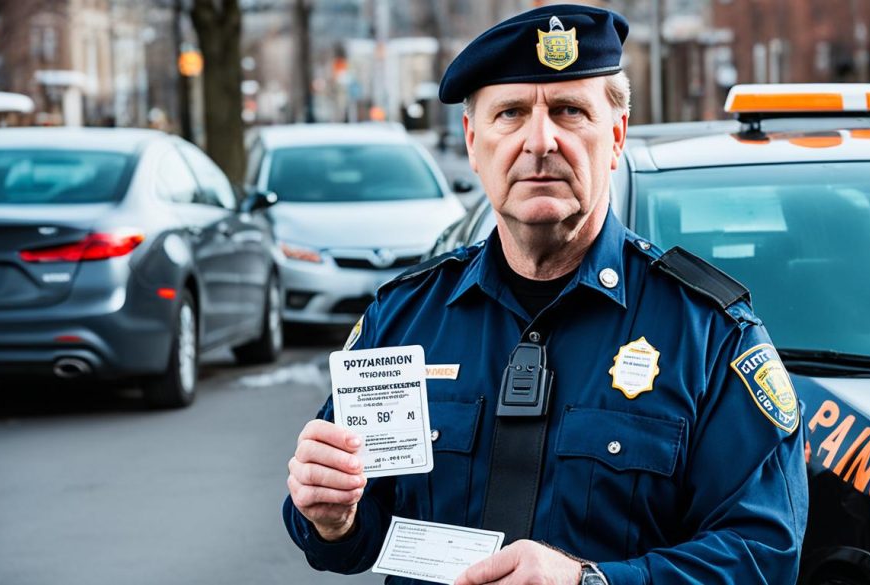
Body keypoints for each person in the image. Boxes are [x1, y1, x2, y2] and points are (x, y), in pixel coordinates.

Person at [284, 5, 807, 584]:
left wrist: (591, 582)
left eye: (569, 111)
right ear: (473, 142)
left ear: (615, 136)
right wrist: (331, 517)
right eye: (510, 113)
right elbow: (352, 535)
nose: (540, 142)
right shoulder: (405, 319)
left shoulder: (709, 335)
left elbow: (762, 555)